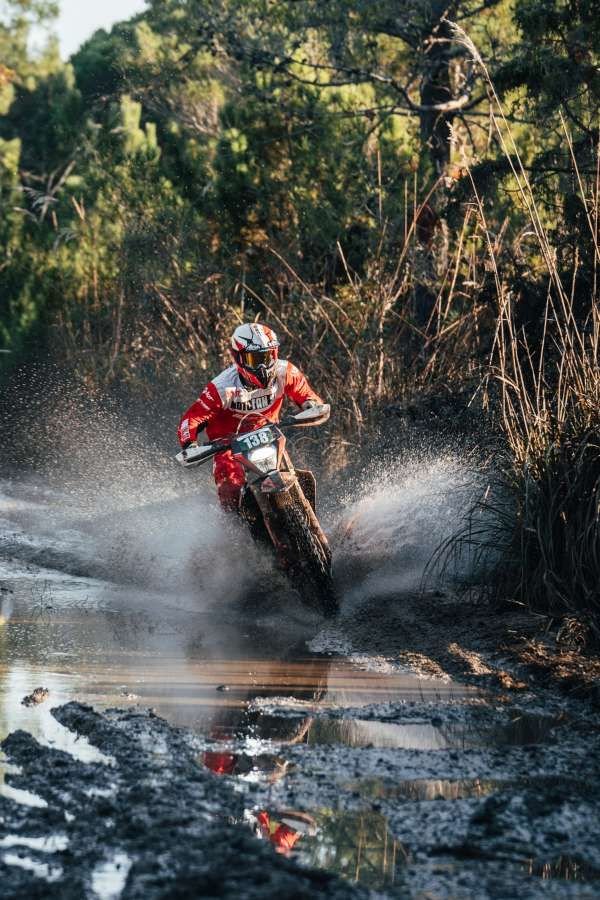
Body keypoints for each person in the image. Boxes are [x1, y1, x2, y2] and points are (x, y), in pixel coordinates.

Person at [178, 323, 323, 511]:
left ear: (275, 353)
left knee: (289, 472)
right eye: (255, 359)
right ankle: (232, 528)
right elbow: (192, 419)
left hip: (268, 436)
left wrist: (310, 405)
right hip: (228, 445)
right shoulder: (222, 387)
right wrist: (190, 444)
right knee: (230, 484)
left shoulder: (285, 372)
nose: (263, 366)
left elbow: (306, 394)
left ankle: (307, 514)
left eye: (268, 356)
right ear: (238, 357)